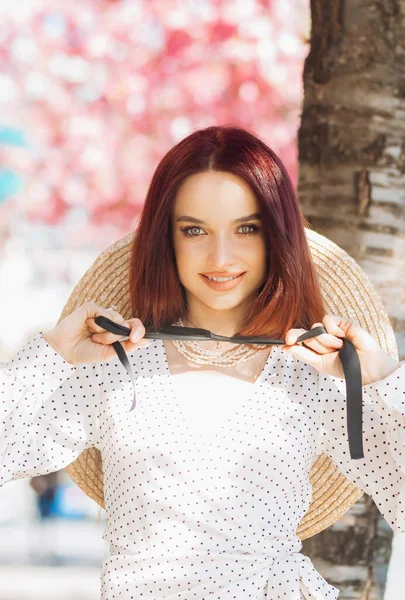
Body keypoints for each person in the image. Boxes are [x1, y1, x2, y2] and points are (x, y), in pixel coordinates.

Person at [1, 124, 403, 600]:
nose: (221, 256)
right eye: (195, 230)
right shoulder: (109, 366)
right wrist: (52, 353)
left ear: (276, 236)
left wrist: (382, 378)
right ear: (164, 238)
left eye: (247, 229)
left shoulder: (313, 376)